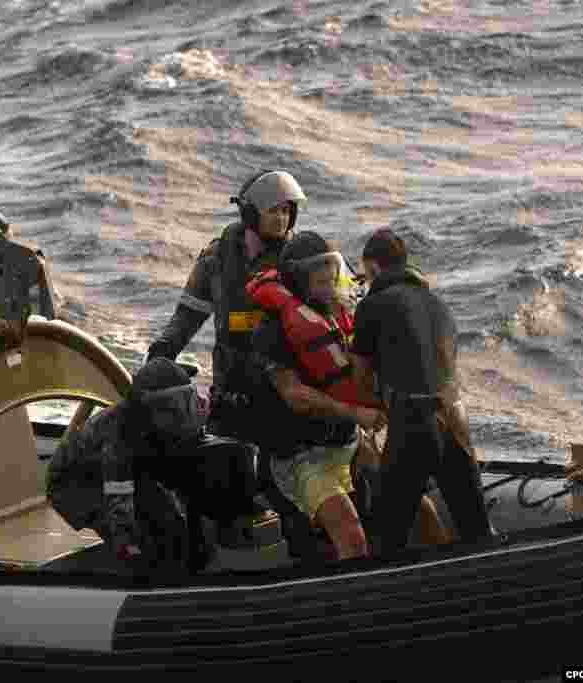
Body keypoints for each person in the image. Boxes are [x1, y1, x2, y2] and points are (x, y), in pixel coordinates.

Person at [46, 358, 265, 576]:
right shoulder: (119, 437)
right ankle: (148, 574)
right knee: (158, 528)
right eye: (167, 407)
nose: (177, 412)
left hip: (142, 459)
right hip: (77, 483)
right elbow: (119, 498)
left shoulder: (186, 412)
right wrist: (129, 545)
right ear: (144, 406)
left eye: (183, 402)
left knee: (230, 453)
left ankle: (222, 542)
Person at [350, 228, 493, 557]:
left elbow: (360, 378)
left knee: (388, 538)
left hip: (413, 422)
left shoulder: (373, 304)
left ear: (372, 267)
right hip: (456, 418)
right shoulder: (438, 303)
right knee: (477, 531)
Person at [250, 231, 386, 561]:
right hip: (303, 455)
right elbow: (294, 394)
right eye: (320, 275)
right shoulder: (271, 330)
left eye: (331, 271)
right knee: (351, 538)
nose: (330, 281)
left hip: (349, 441)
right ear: (298, 278)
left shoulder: (335, 315)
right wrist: (356, 414)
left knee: (410, 502)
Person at [145, 169, 307, 443]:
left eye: (286, 211)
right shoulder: (218, 258)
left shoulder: (303, 259)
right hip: (231, 396)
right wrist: (159, 358)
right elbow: (185, 320)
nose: (282, 219)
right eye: (273, 211)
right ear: (251, 214)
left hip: (285, 397)